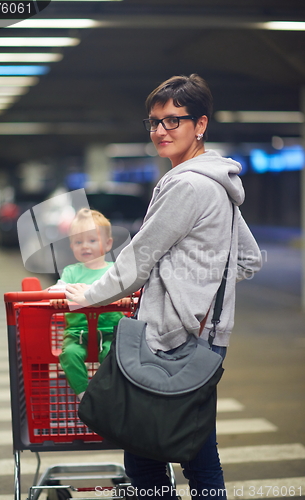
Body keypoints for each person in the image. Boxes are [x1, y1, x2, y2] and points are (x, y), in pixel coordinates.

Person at [65, 74, 262, 499]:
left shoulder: (186, 184)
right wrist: (199, 292)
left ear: (201, 124)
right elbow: (248, 258)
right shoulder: (219, 184)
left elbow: (139, 258)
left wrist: (89, 295)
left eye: (174, 121)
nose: (160, 131)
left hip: (170, 336)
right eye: (154, 122)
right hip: (207, 338)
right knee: (194, 450)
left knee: (148, 455)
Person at [50, 208, 123, 400]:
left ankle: (107, 394)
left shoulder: (114, 271)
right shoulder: (71, 272)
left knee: (113, 355)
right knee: (68, 354)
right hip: (77, 332)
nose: (85, 246)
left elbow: (128, 290)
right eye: (78, 241)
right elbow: (57, 290)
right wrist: (58, 295)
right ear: (71, 245)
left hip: (110, 330)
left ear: (107, 244)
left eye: (92, 240)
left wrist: (125, 297)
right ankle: (84, 395)